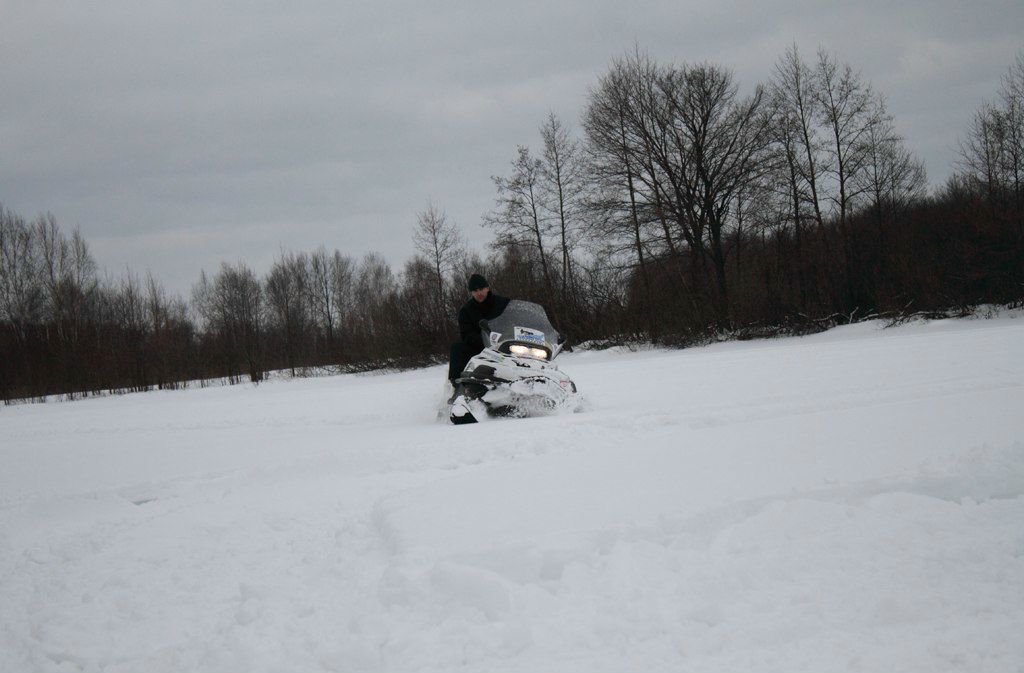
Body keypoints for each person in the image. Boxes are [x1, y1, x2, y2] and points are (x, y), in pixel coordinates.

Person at [448, 273, 510, 382]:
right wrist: (485, 340)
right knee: (457, 348)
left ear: (487, 288)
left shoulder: (503, 303)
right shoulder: (466, 311)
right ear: (471, 292)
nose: (479, 293)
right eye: (475, 291)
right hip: (480, 347)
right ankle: (456, 382)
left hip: (506, 343)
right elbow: (466, 334)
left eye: (481, 289)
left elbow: (515, 318)